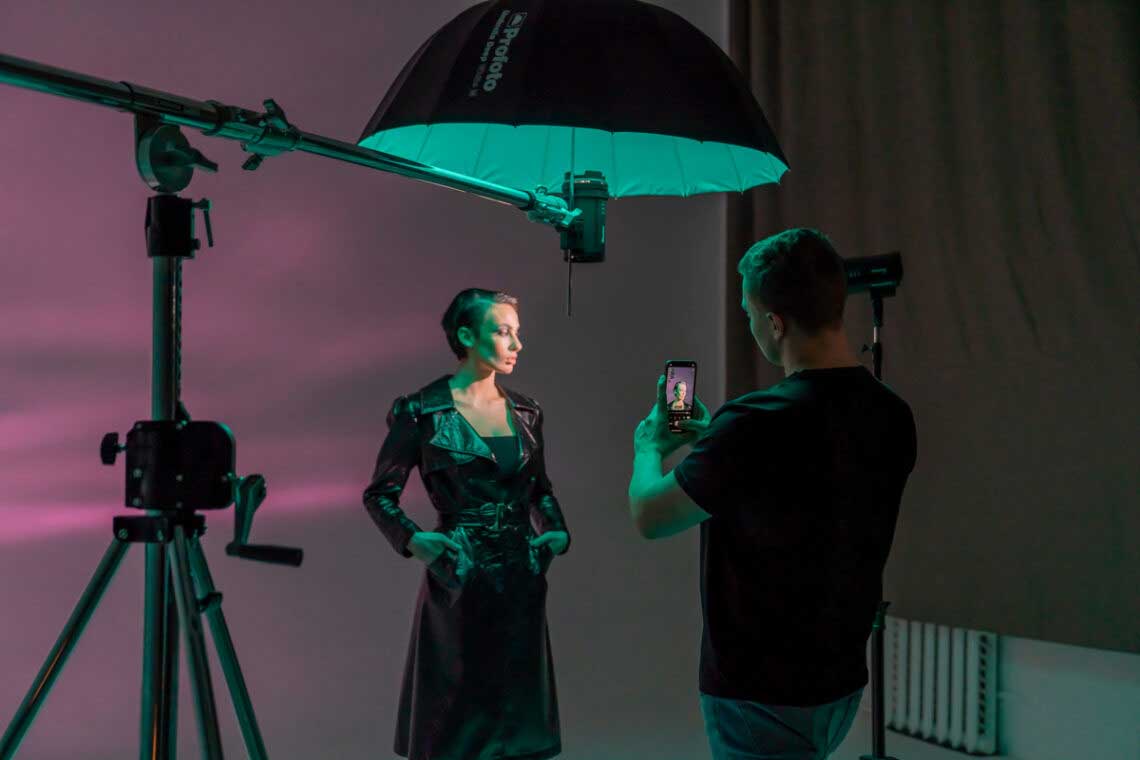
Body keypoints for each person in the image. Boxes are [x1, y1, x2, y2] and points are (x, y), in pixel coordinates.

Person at [627, 228, 917, 760]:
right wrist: (716, 445)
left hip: (761, 693)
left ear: (775, 323)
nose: (751, 323)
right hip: (839, 683)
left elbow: (650, 515)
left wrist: (648, 448)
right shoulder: (892, 414)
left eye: (749, 313)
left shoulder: (755, 422)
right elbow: (802, 487)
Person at [363, 288, 570, 760]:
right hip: (461, 568)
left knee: (518, 712)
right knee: (457, 716)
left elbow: (539, 489)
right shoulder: (421, 410)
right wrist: (415, 540)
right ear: (467, 335)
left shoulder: (526, 412)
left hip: (519, 570)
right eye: (503, 332)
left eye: (517, 333)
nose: (516, 344)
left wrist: (555, 531)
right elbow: (379, 495)